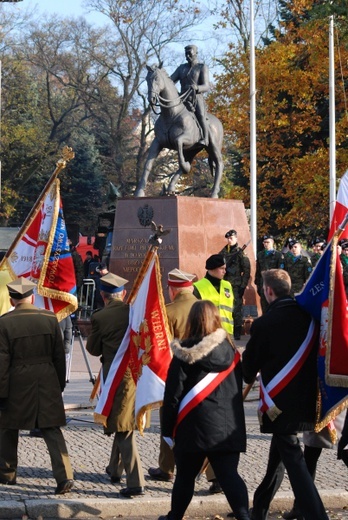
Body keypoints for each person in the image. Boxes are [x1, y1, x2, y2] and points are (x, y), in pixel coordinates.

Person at [242, 269, 329, 520]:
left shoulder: (264, 324)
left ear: (268, 291)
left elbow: (248, 371)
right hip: (310, 401)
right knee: (278, 457)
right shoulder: (310, 316)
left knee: (294, 461)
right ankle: (259, 509)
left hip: (278, 406)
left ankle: (316, 514)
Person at [158, 300, 250, 520]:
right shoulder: (231, 351)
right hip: (227, 426)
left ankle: (174, 517)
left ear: (192, 320)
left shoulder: (184, 353)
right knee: (229, 476)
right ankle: (244, 516)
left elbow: (172, 397)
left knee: (185, 478)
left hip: (193, 427)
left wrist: (167, 431)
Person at [0, 277, 74, 494]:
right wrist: (58, 384)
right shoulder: (50, 318)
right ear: (32, 297)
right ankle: (64, 476)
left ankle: (7, 474)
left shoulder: (4, 322)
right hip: (47, 379)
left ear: (12, 300)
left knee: (7, 427)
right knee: (51, 428)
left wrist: (1, 393)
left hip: (16, 381)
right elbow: (59, 356)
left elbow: (2, 361)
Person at [86, 272, 145, 498]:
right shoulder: (134, 312)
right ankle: (114, 469)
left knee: (123, 427)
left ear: (103, 295)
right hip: (137, 374)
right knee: (120, 420)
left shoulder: (100, 316)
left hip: (116, 376)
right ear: (123, 294)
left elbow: (93, 349)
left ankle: (136, 482)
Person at [148, 268, 197, 483]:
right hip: (204, 377)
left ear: (172, 290)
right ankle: (213, 474)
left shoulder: (167, 312)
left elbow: (161, 349)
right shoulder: (207, 307)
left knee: (169, 420)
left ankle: (167, 467)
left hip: (175, 375)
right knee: (203, 422)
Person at [282, 410, 348, 520]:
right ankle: (300, 506)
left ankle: (300, 507)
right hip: (322, 407)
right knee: (310, 458)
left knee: (343, 452)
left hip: (331, 405)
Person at [171, 44, 210, 146]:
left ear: (196, 54)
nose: (187, 56)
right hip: (182, 98)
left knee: (201, 114)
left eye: (190, 54)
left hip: (196, 97)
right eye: (186, 54)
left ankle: (205, 138)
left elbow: (206, 86)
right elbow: (170, 81)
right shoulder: (181, 68)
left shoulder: (202, 67)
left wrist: (197, 88)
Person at [220, 229, 251, 340]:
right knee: (225, 307)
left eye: (231, 238)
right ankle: (226, 330)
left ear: (236, 238)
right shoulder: (223, 251)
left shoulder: (240, 252)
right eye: (228, 238)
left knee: (237, 308)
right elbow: (218, 264)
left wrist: (243, 286)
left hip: (236, 285)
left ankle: (237, 330)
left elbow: (246, 270)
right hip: (225, 284)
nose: (229, 240)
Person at [193, 254, 234, 336]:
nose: (224, 271)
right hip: (208, 334)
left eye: (225, 268)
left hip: (227, 333)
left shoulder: (227, 285)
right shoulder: (198, 286)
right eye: (221, 268)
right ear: (212, 269)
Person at [255, 235, 285, 314]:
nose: (266, 244)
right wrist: (258, 284)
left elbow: (280, 272)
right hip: (263, 285)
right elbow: (258, 271)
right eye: (264, 242)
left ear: (272, 242)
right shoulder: (260, 255)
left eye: (267, 242)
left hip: (274, 285)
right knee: (264, 309)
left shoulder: (278, 255)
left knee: (275, 308)